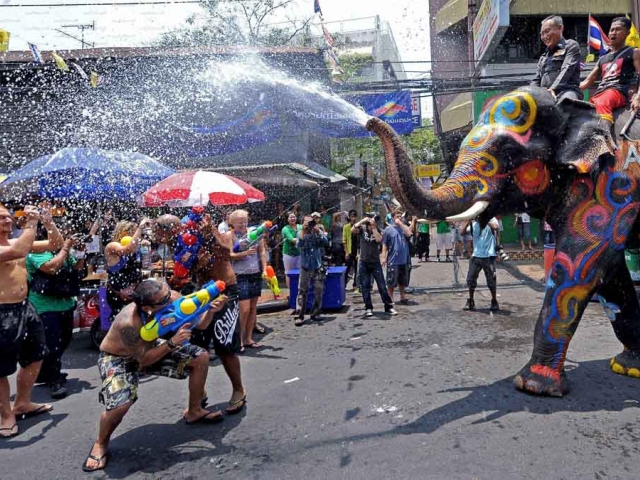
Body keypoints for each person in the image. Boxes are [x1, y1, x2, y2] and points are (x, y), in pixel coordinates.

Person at [82, 279, 227, 472]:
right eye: (164, 300)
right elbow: (143, 361)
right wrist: (172, 343)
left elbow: (199, 325)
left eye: (169, 294)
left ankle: (194, 411)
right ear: (148, 307)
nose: (171, 299)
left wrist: (210, 310)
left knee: (200, 357)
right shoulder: (129, 323)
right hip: (118, 357)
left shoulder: (172, 298)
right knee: (120, 403)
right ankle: (101, 443)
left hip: (153, 348)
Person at [0, 204, 64, 439]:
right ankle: (6, 415)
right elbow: (18, 251)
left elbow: (54, 245)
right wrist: (31, 223)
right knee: (1, 369)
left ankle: (22, 403)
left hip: (24, 308)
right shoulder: (16, 246)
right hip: (1, 312)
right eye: (1, 218)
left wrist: (48, 222)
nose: (8, 221)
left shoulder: (17, 242)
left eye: (9, 217)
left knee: (37, 355)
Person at [189, 214, 246, 414]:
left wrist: (211, 234)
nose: (199, 225)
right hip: (201, 293)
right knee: (196, 346)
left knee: (224, 344)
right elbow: (187, 267)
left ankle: (238, 389)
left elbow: (226, 253)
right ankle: (199, 393)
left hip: (226, 291)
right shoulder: (188, 240)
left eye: (202, 221)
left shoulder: (224, 234)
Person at [27, 221, 85, 399]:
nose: (65, 236)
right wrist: (66, 248)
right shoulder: (36, 252)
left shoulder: (63, 250)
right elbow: (51, 267)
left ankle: (46, 371)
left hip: (65, 303)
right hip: (44, 306)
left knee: (65, 339)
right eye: (61, 233)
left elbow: (77, 268)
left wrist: (81, 252)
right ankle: (55, 379)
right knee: (52, 344)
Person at [581, 17, 636, 126]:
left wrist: (638, 97)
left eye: (618, 29)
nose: (613, 33)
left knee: (603, 102)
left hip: (618, 92)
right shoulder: (602, 59)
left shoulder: (633, 52)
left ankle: (604, 137)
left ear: (627, 33)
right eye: (611, 30)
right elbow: (588, 81)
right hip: (600, 93)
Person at [229, 210, 267, 349]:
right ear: (232, 223)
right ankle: (238, 339)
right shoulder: (230, 235)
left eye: (245, 221)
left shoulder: (255, 232)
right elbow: (230, 255)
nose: (243, 224)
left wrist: (265, 269)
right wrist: (244, 253)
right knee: (244, 308)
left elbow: (262, 252)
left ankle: (248, 338)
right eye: (240, 222)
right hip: (240, 274)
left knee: (252, 308)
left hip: (255, 273)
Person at [352, 215, 397, 317]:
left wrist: (374, 228)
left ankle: (388, 307)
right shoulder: (362, 230)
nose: (374, 221)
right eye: (372, 220)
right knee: (365, 286)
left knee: (382, 286)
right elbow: (352, 229)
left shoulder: (379, 230)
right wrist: (363, 220)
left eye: (376, 220)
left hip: (375, 262)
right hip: (364, 262)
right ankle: (368, 307)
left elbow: (379, 240)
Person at [105, 219, 151, 318]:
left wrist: (145, 250)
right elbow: (128, 249)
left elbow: (144, 265)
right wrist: (140, 227)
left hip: (133, 294)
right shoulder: (112, 246)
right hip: (117, 294)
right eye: (135, 233)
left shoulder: (135, 248)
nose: (138, 236)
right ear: (125, 233)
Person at [531, 15, 582, 101]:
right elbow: (536, 80)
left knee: (566, 102)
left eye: (547, 31)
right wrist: (530, 93)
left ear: (560, 28)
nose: (544, 36)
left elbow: (567, 69)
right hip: (545, 94)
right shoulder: (543, 57)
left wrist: (553, 88)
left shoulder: (571, 46)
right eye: (542, 34)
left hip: (567, 91)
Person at [295, 215, 329, 326]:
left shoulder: (317, 230)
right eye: (307, 222)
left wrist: (318, 231)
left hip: (317, 266)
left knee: (318, 290)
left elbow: (325, 242)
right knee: (302, 291)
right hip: (305, 266)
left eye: (310, 222)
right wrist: (304, 232)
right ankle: (299, 315)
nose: (309, 224)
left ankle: (315, 313)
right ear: (303, 223)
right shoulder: (300, 232)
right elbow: (299, 245)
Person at [461, 218, 500, 312]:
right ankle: (470, 301)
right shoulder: (474, 224)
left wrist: (484, 218)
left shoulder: (492, 219)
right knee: (470, 279)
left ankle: (494, 301)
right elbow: (462, 233)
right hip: (476, 256)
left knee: (491, 280)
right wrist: (468, 221)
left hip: (489, 256)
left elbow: (495, 227)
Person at [381, 211, 412, 304]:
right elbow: (384, 244)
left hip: (403, 259)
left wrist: (401, 224)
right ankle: (390, 297)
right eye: (397, 216)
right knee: (391, 281)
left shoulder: (404, 227)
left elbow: (409, 233)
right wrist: (383, 257)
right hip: (393, 260)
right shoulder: (388, 229)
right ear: (393, 218)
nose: (399, 218)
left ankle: (402, 296)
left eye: (400, 216)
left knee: (402, 281)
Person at [281, 212, 301, 290]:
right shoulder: (285, 229)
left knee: (300, 272)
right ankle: (290, 291)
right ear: (287, 219)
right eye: (290, 217)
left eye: (294, 217)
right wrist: (303, 239)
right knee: (288, 273)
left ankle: (299, 290)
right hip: (288, 254)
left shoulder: (300, 227)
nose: (293, 218)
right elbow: (291, 239)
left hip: (299, 253)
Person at [343, 209, 359, 291]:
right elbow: (344, 240)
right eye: (352, 216)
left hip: (357, 251)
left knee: (357, 269)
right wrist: (346, 252)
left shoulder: (359, 226)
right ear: (349, 217)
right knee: (347, 268)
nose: (353, 218)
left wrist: (359, 253)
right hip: (349, 250)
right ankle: (343, 285)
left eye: (355, 216)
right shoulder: (346, 227)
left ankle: (355, 285)